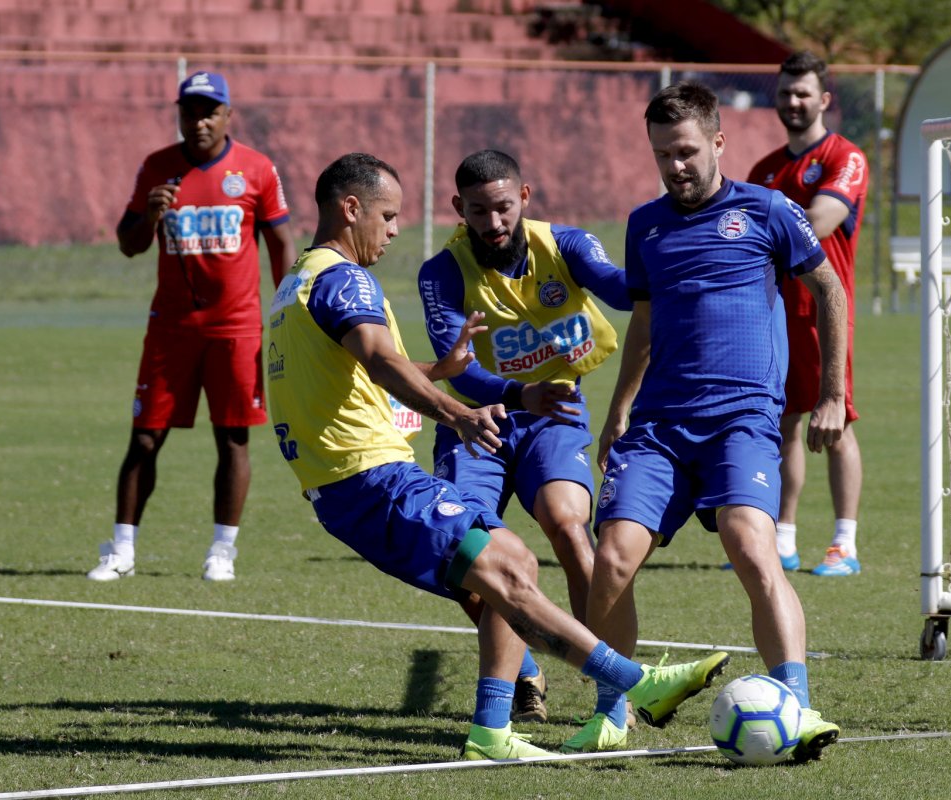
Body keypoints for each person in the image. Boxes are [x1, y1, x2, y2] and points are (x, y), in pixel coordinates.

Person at [266, 151, 729, 760]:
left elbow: (365, 372)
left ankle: (497, 729)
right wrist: (457, 410)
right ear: (350, 209)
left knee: (509, 561)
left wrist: (441, 372)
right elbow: (381, 363)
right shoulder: (347, 278)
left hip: (350, 482)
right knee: (507, 567)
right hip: (372, 476)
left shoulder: (296, 282)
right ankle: (634, 683)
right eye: (388, 214)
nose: (396, 228)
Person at [574, 81, 844, 759]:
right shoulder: (645, 225)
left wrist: (834, 394)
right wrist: (619, 409)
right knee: (611, 557)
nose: (676, 166)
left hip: (742, 419)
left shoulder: (770, 211)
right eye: (663, 154)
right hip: (661, 424)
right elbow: (643, 321)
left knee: (751, 544)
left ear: (718, 142)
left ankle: (798, 708)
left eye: (688, 151)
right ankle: (616, 707)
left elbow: (829, 289)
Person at [417, 149, 631, 726]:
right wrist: (516, 393)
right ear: (457, 208)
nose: (493, 223)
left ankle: (610, 692)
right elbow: (455, 366)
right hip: (477, 422)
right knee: (466, 556)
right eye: (479, 211)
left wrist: (671, 263)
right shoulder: (441, 272)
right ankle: (525, 669)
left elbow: (619, 286)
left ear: (526, 198)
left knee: (568, 525)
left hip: (552, 415)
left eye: (504, 208)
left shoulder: (569, 245)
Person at [87, 71, 298, 582]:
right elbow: (128, 243)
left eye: (209, 111)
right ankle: (121, 550)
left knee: (233, 440)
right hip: (172, 329)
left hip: (237, 328)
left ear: (228, 115)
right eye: (189, 111)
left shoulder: (256, 169)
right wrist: (150, 216)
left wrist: (287, 307)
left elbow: (281, 244)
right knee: (144, 439)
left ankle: (222, 551)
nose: (198, 121)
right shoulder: (158, 167)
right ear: (178, 114)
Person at [746, 51, 868, 577]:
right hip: (771, 315)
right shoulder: (763, 169)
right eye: (785, 93)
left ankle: (845, 543)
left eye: (803, 93)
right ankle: (784, 538)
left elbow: (821, 218)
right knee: (781, 425)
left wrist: (758, 231)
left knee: (835, 420)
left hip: (823, 311)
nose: (793, 102)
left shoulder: (846, 156)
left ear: (823, 99)